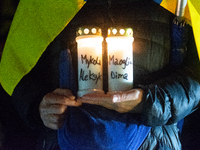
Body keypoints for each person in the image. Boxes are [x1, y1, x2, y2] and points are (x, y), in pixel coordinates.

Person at [10, 0, 200, 149]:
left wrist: (148, 102)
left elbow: (196, 77)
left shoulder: (178, 3)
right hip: (64, 140)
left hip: (152, 141)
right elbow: (17, 67)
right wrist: (39, 106)